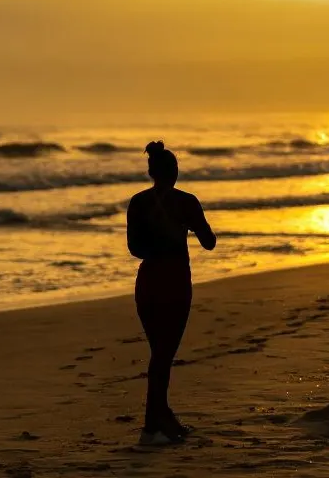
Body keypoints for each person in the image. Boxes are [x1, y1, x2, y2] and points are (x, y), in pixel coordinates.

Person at [127, 140, 216, 446]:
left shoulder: (137, 202)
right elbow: (209, 242)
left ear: (151, 171)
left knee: (159, 354)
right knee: (163, 355)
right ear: (175, 172)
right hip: (175, 281)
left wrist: (158, 240)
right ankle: (152, 426)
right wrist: (186, 226)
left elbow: (134, 249)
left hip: (148, 282)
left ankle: (162, 417)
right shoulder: (187, 202)